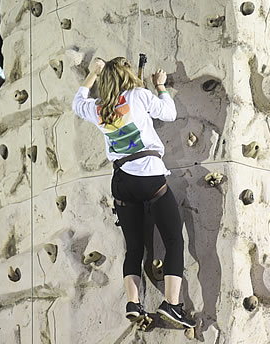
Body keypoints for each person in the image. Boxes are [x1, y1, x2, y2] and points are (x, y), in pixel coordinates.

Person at [72, 56, 195, 329]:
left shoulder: (100, 108)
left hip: (121, 181)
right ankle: (172, 304)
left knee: (134, 248)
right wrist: (161, 86)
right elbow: (169, 113)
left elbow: (77, 102)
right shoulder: (138, 95)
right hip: (149, 176)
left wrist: (93, 73)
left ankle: (133, 302)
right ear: (128, 75)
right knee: (174, 239)